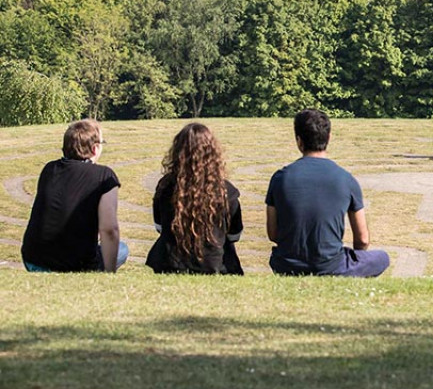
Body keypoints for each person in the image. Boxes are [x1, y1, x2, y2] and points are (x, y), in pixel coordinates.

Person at [266, 108, 390, 277]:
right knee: (382, 257)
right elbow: (362, 239)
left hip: (286, 264)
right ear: (329, 137)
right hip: (330, 265)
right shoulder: (346, 179)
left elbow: (273, 233)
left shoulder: (280, 178)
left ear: (298, 141)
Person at [21, 119, 127, 272]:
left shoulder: (49, 169)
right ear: (94, 148)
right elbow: (109, 229)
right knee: (122, 249)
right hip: (75, 264)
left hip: (33, 260)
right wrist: (109, 274)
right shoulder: (104, 176)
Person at [146, 123, 244, 274]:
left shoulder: (165, 186)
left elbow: (159, 226)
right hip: (214, 264)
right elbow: (234, 235)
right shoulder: (227, 191)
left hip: (170, 263)